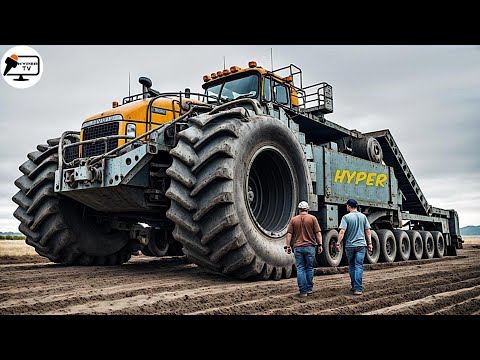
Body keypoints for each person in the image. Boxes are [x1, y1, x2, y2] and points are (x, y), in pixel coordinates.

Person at [335, 199, 372, 295]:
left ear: (349, 206)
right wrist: (370, 244)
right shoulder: (363, 217)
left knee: (352, 265)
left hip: (350, 245)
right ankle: (358, 289)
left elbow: (342, 231)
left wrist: (338, 243)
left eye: (347, 206)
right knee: (359, 266)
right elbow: (368, 231)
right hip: (361, 245)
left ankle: (353, 286)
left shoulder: (346, 217)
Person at [286, 201, 323, 297]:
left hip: (298, 247)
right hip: (310, 247)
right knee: (309, 268)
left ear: (299, 209)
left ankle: (303, 291)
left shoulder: (294, 220)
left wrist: (288, 246)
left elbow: (289, 234)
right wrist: (320, 245)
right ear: (308, 209)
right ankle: (309, 289)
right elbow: (318, 233)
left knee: (300, 268)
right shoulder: (312, 218)